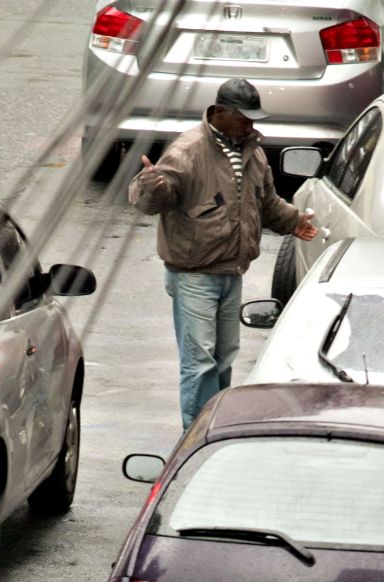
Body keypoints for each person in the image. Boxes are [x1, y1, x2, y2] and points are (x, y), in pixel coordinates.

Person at [129, 77, 318, 429]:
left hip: (231, 272)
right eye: (244, 118)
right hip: (194, 275)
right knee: (199, 361)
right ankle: (196, 437)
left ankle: (215, 429)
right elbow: (151, 202)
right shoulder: (187, 151)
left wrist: (294, 221)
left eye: (252, 119)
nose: (250, 125)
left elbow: (265, 203)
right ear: (218, 113)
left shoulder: (252, 151)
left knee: (223, 358)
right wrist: (149, 184)